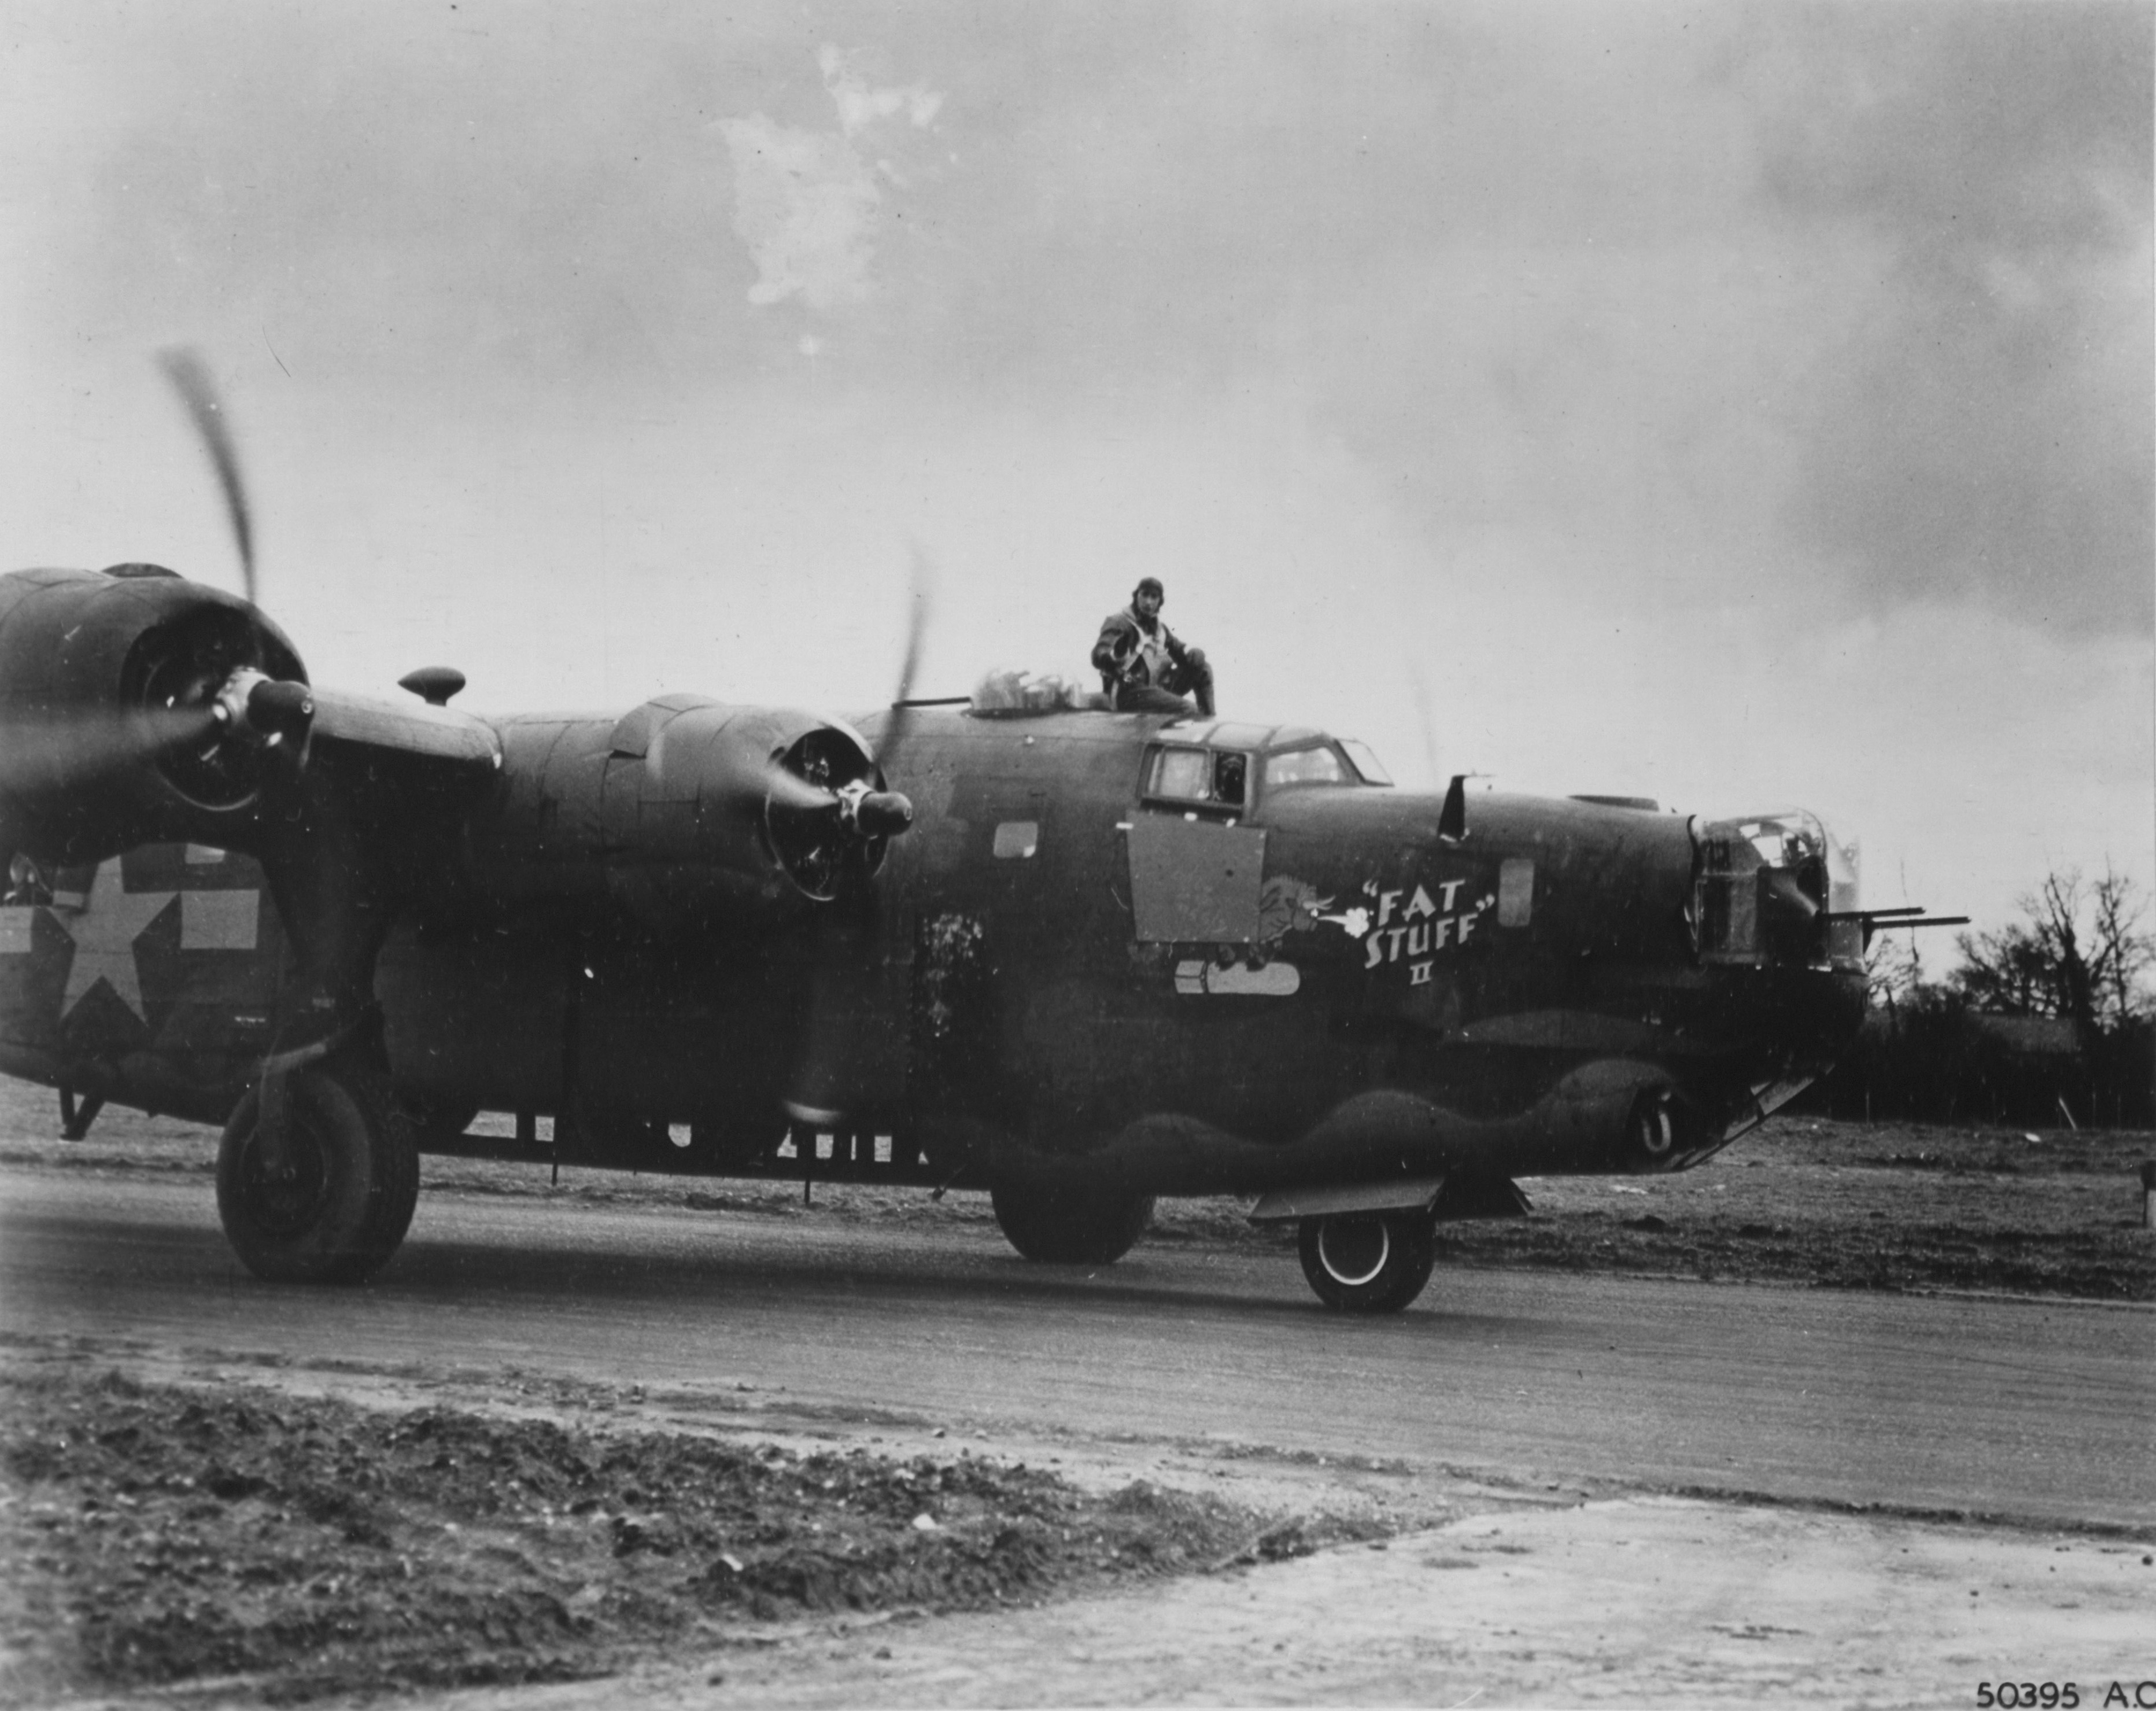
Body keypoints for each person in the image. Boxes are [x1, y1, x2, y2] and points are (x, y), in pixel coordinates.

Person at [1091, 577, 1215, 716]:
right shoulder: (1120, 622)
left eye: (1154, 597)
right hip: (1129, 691)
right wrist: (1112, 665)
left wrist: (1196, 653)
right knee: (1189, 709)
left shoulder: (1160, 630)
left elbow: (1181, 654)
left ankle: (1209, 722)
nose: (1148, 602)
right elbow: (1099, 653)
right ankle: (1197, 728)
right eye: (1144, 595)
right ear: (1136, 596)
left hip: (1156, 689)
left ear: (1160, 602)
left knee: (1203, 669)